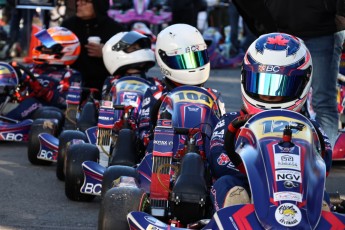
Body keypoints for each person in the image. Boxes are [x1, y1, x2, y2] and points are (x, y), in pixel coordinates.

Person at [208, 33, 333, 211]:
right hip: (246, 184)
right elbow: (219, 161)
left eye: (281, 85)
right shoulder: (231, 122)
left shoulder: (309, 127)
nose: (269, 94)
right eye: (262, 83)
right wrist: (256, 169)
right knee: (227, 184)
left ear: (303, 82)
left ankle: (320, 217)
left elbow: (324, 164)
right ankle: (236, 216)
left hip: (294, 188)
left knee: (319, 193)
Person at [231, 0, 345, 148]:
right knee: (265, 97)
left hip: (322, 29)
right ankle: (261, 152)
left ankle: (321, 158)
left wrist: (342, 14)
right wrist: (262, 20)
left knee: (323, 101)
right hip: (278, 31)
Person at [138, 23, 226, 152]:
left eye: (197, 58)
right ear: (163, 59)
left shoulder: (214, 96)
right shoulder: (156, 93)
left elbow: (220, 136)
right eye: (183, 61)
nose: (193, 67)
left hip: (204, 159)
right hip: (164, 157)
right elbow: (144, 135)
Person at [5, 26, 82, 120]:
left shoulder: (71, 75)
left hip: (50, 112)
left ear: (66, 50)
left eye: (47, 47)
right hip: (20, 104)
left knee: (32, 103)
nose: (42, 48)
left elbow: (68, 102)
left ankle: (4, 125)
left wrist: (45, 92)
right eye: (43, 45)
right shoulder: (33, 68)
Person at [61, 0, 124, 99]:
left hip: (103, 85)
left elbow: (125, 59)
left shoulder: (115, 29)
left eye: (85, 2)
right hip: (73, 83)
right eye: (78, 1)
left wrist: (106, 52)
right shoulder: (68, 26)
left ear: (98, 5)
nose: (79, 4)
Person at [101, 30, 162, 100]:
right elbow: (106, 105)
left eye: (140, 48)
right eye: (134, 48)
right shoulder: (112, 82)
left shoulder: (155, 83)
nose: (141, 52)